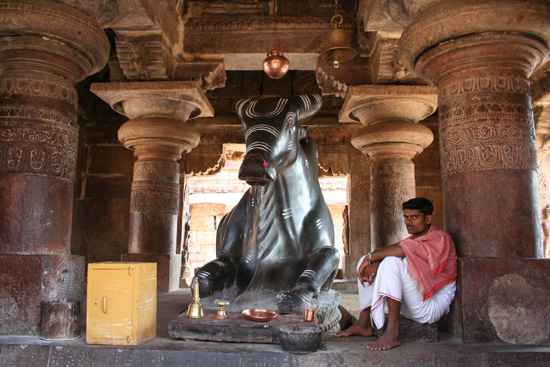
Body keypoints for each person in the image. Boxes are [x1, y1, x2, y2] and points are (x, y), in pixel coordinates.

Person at [335, 197, 457, 351]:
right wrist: (373, 260)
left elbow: (400, 252)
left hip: (431, 306)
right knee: (364, 262)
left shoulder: (440, 238)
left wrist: (373, 258)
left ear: (428, 219)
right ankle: (364, 323)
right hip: (415, 301)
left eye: (414, 217)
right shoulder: (414, 240)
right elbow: (397, 249)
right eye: (406, 217)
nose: (408, 222)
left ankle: (392, 332)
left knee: (390, 263)